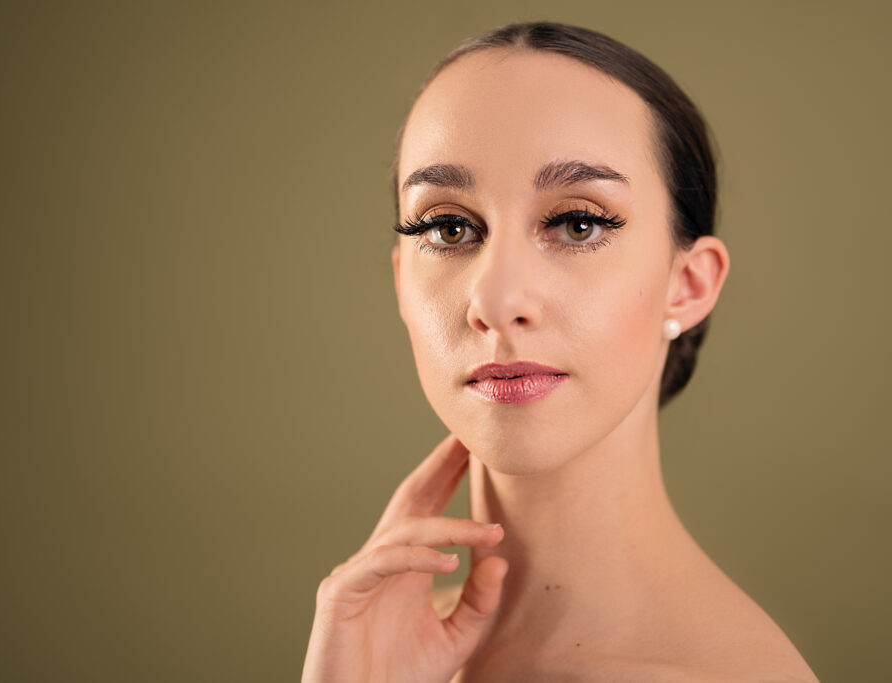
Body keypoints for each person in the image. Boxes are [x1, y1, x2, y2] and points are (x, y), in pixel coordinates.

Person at [302, 21, 818, 682]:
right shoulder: (376, 649)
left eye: (578, 224)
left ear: (687, 285)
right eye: (449, 226)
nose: (495, 298)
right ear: (403, 280)